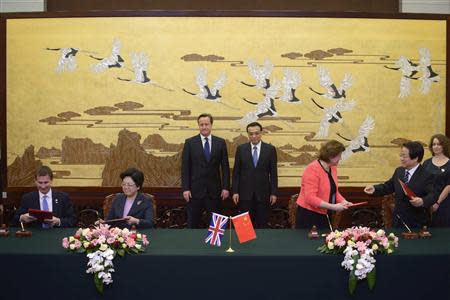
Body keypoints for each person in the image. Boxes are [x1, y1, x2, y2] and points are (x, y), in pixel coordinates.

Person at [364, 141, 435, 228]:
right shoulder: (399, 171)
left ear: (416, 158)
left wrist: (422, 201)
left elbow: (433, 195)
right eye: (401, 155)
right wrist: (375, 189)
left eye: (404, 156)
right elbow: (388, 186)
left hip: (417, 223)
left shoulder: (426, 175)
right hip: (398, 222)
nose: (401, 159)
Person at [181, 113, 230, 228]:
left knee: (216, 225)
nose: (204, 127)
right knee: (193, 223)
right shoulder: (190, 143)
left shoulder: (220, 142)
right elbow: (185, 168)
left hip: (215, 191)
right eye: (201, 124)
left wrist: (226, 187)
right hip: (194, 191)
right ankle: (193, 246)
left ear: (211, 125)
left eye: (206, 124)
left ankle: (216, 246)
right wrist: (186, 189)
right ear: (198, 125)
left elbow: (225, 167)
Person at [295, 140, 352, 229]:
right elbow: (310, 198)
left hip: (324, 213)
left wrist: (344, 201)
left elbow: (334, 191)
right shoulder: (312, 169)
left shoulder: (332, 168)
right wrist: (333, 207)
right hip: (308, 215)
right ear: (330, 156)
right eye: (339, 156)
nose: (340, 158)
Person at [232, 122, 277, 228]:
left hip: (263, 195)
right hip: (244, 195)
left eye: (256, 133)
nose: (254, 136)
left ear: (261, 133)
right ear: (248, 134)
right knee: (244, 228)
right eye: (251, 134)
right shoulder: (241, 149)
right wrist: (235, 191)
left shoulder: (270, 150)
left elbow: (273, 173)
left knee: (262, 225)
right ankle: (244, 245)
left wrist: (274, 193)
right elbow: (236, 172)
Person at [422, 134, 450, 226]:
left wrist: (438, 202)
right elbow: (422, 182)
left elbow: (448, 185)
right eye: (434, 144)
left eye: (439, 144)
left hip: (444, 203)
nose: (436, 146)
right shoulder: (426, 163)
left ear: (444, 145)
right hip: (427, 202)